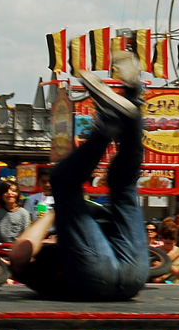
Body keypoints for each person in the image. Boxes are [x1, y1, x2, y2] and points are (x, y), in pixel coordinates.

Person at [10, 50, 150, 302]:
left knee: (125, 184)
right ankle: (115, 117)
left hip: (135, 277)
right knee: (64, 183)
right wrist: (56, 212)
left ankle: (130, 101)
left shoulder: (42, 275)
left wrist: (58, 217)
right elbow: (18, 255)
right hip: (99, 275)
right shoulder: (44, 264)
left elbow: (23, 258)